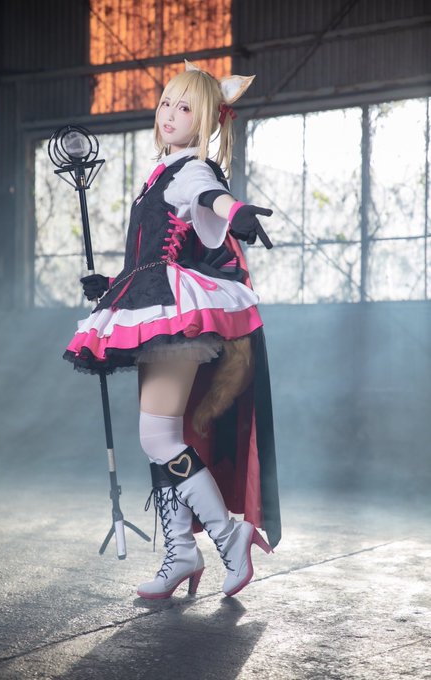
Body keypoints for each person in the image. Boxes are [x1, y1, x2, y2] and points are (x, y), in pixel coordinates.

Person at [64, 60, 281, 599]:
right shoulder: (160, 173)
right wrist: (112, 283)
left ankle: (229, 537)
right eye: (166, 103)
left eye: (185, 108)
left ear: (205, 121)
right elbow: (159, 250)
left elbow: (210, 196)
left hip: (174, 310)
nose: (170, 114)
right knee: (164, 437)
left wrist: (236, 211)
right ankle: (181, 550)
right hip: (154, 302)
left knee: (157, 437)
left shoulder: (190, 170)